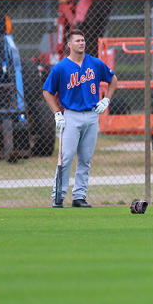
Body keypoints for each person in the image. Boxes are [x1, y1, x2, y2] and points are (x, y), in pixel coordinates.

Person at [42, 28, 118, 208]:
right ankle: (58, 196)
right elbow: (47, 92)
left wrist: (106, 99)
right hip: (71, 116)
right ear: (69, 45)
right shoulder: (61, 67)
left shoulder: (94, 63)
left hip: (92, 115)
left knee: (85, 158)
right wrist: (57, 114)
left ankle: (79, 196)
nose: (81, 43)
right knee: (66, 157)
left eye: (83, 40)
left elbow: (113, 80)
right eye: (77, 41)